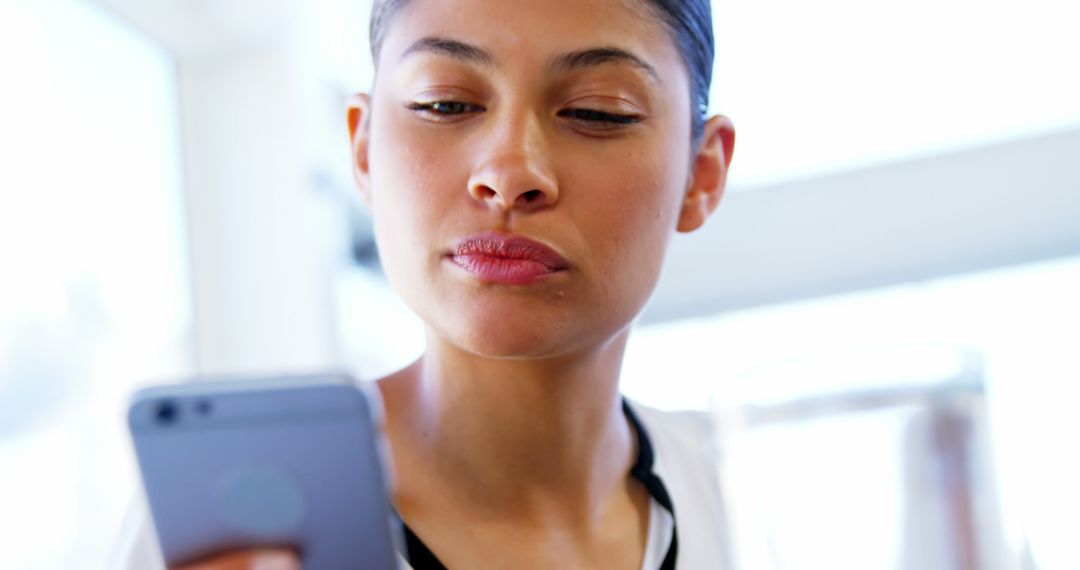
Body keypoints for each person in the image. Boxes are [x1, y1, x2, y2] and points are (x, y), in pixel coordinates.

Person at [123, 0, 735, 567]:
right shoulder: (224, 537)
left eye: (597, 111)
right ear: (363, 152)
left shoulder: (745, 502)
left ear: (701, 174)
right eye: (444, 104)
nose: (508, 172)